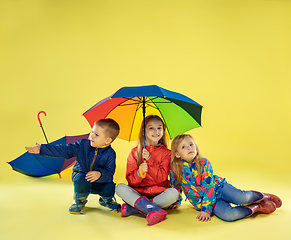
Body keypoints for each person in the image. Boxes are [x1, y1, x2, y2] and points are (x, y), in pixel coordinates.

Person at [169, 134, 282, 222]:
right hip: (207, 202)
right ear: (177, 154)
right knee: (229, 215)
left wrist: (206, 210)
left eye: (191, 144)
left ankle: (263, 196)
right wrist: (177, 201)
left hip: (219, 189)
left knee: (241, 198)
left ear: (196, 147)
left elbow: (209, 187)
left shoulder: (203, 163)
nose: (189, 148)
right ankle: (257, 207)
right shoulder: (175, 169)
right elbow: (176, 186)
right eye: (183, 147)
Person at [25, 118, 121, 214]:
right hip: (82, 178)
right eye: (92, 132)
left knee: (110, 185)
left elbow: (110, 172)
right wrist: (42, 149)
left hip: (98, 181)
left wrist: (100, 174)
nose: (91, 136)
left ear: (108, 140)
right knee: (81, 179)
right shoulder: (82, 145)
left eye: (96, 135)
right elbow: (65, 150)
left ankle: (106, 200)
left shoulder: (111, 154)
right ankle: (79, 200)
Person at [116, 115, 179, 225]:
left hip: (159, 193)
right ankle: (151, 208)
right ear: (143, 131)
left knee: (174, 193)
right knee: (119, 188)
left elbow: (161, 178)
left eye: (159, 128)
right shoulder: (134, 152)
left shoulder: (167, 153)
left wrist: (149, 160)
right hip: (139, 193)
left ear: (163, 131)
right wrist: (139, 174)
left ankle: (136, 208)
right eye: (151, 128)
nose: (156, 131)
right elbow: (130, 181)